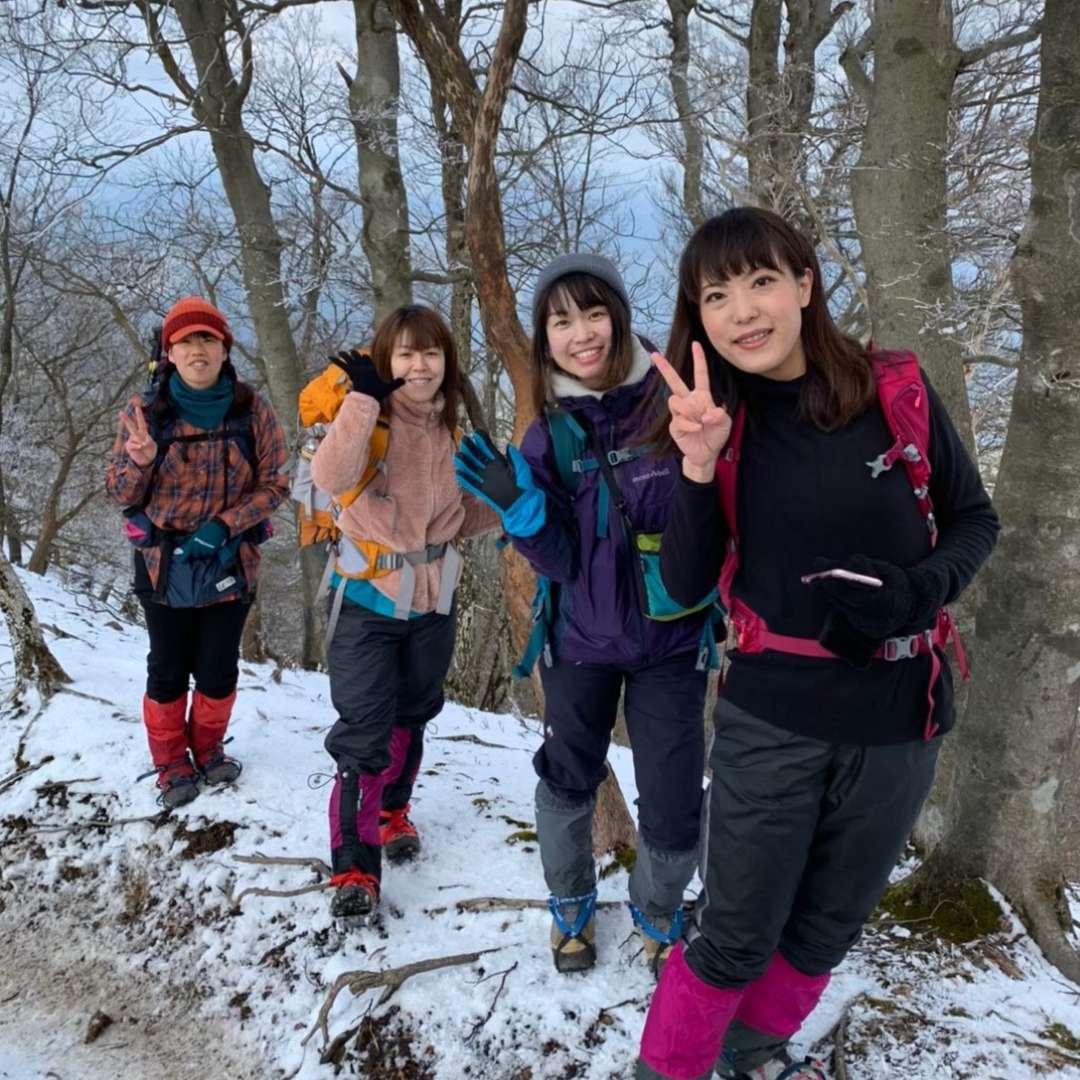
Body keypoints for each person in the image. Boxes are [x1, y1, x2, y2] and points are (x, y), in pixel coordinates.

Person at [633, 208, 1000, 1080]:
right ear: (698, 315)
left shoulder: (894, 390)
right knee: (734, 933)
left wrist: (921, 590)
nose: (742, 311)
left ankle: (755, 1051)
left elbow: (973, 520)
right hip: (772, 720)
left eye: (762, 281)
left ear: (804, 284)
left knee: (828, 926)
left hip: (904, 718)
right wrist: (697, 466)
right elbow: (682, 586)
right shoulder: (712, 422)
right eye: (716, 295)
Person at [455, 255, 719, 976]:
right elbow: (562, 562)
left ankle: (657, 909)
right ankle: (570, 903)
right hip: (579, 641)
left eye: (595, 313)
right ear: (544, 338)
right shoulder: (549, 434)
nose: (582, 334)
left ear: (619, 317)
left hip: (673, 643)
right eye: (561, 321)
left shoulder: (671, 404)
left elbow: (712, 519)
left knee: (674, 802)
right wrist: (521, 509)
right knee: (567, 776)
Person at [309, 305, 499, 921]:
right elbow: (330, 476)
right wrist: (363, 401)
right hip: (366, 603)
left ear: (447, 361)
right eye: (407, 353)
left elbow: (455, 519)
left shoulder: (450, 427)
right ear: (387, 359)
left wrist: (509, 500)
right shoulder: (370, 415)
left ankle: (392, 813)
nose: (420, 366)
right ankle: (354, 869)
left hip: (432, 602)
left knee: (412, 715)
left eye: (431, 353)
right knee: (362, 734)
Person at [106, 297, 289, 810]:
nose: (197, 349)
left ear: (225, 349)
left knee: (218, 668)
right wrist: (141, 461)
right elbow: (119, 492)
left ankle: (208, 749)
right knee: (167, 667)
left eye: (207, 339)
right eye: (185, 341)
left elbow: (276, 484)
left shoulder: (252, 411)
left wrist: (225, 525)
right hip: (162, 565)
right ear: (169, 353)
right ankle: (170, 762)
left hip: (231, 561)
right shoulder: (144, 415)